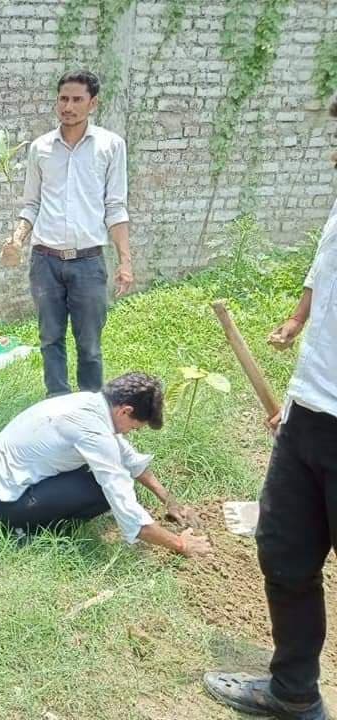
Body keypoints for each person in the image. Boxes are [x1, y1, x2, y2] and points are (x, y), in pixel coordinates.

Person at [203, 95, 337, 720]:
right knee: (283, 552)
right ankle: (294, 693)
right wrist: (297, 399)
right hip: (310, 412)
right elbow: (322, 278)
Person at [0, 372, 212, 558]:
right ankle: (28, 531)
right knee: (102, 491)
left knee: (106, 476)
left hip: (6, 486)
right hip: (8, 505)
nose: (129, 433)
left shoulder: (92, 405)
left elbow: (129, 458)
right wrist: (181, 544)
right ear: (125, 410)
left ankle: (45, 519)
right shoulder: (91, 429)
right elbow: (127, 508)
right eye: (133, 428)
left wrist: (169, 500)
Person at [2, 69, 133, 397]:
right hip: (45, 261)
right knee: (50, 339)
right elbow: (31, 203)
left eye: (77, 99)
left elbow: (116, 207)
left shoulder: (110, 146)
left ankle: (89, 409)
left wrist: (125, 261)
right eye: (63, 98)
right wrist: (17, 238)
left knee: (89, 345)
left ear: (93, 103)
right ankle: (56, 405)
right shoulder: (41, 148)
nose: (68, 106)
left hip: (88, 263)